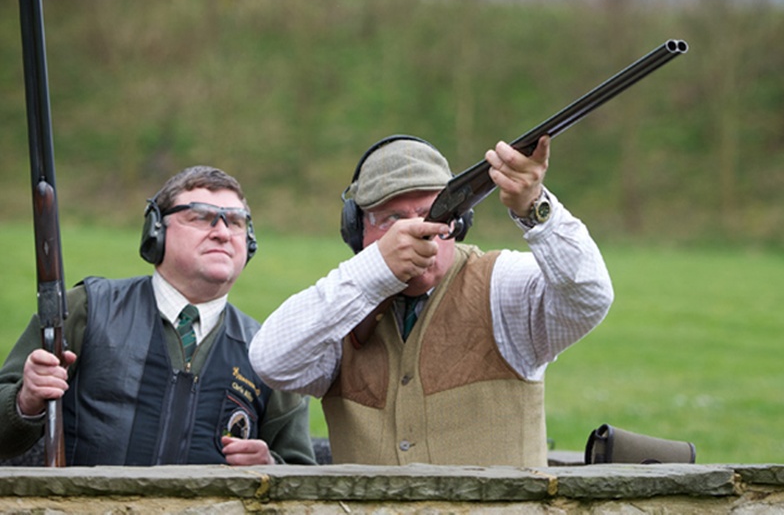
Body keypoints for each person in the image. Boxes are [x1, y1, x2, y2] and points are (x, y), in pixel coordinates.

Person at [249, 134, 614, 467]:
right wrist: (375, 270)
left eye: (430, 214)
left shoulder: (502, 286)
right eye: (392, 218)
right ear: (357, 230)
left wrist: (534, 207)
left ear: (460, 221)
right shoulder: (345, 304)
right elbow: (271, 360)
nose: (416, 231)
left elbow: (589, 297)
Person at [0, 166, 315, 466]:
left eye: (235, 222)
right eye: (202, 217)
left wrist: (272, 467)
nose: (222, 232)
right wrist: (26, 401)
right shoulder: (86, 309)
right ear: (156, 230)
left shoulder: (270, 352)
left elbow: (306, 480)